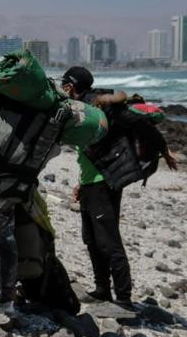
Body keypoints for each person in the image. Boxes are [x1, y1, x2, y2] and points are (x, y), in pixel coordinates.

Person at [61, 66, 178, 309]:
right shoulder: (82, 107)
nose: (62, 90)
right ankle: (102, 290)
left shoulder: (100, 106)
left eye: (64, 85)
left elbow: (140, 123)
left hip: (105, 181)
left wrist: (164, 150)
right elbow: (89, 151)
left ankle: (124, 299)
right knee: (91, 238)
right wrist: (80, 183)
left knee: (108, 240)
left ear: (71, 86)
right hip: (90, 181)